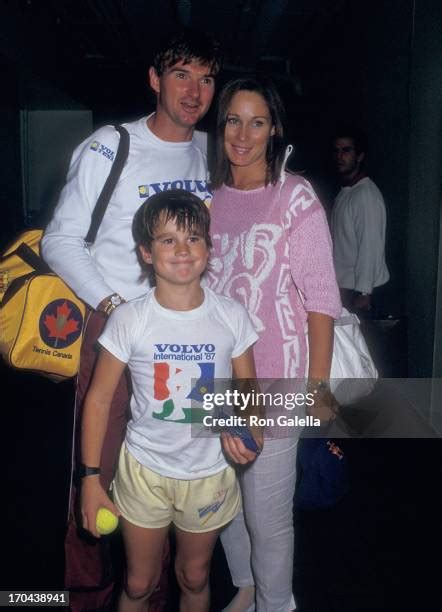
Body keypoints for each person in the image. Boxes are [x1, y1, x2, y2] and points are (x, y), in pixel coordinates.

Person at [41, 28, 221, 611]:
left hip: (187, 339)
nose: (194, 91)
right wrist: (113, 306)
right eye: (181, 76)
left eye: (206, 78)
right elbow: (60, 241)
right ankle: (89, 596)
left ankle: (154, 589)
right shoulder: (109, 145)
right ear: (154, 79)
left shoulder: (213, 151)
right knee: (97, 471)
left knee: (175, 466)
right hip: (116, 329)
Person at [80, 190, 259, 612]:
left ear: (209, 249)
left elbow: (247, 387)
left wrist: (249, 428)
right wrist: (89, 479)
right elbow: (99, 399)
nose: (183, 250)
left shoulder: (232, 315)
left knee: (194, 576)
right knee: (140, 583)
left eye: (194, 238)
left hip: (209, 472)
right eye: (167, 240)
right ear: (146, 252)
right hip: (145, 471)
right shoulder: (129, 319)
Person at [207, 78, 341, 611]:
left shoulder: (294, 196)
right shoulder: (209, 200)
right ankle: (245, 588)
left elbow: (321, 298)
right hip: (217, 378)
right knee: (223, 502)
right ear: (220, 129)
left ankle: (277, 603)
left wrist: (318, 386)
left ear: (274, 129)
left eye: (256, 121)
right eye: (233, 121)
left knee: (267, 514)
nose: (243, 134)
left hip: (277, 378)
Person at [331, 126, 389, 315]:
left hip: (360, 293)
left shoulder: (365, 196)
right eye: (337, 151)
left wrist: (364, 292)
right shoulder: (346, 192)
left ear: (360, 156)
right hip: (345, 289)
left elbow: (370, 246)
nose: (340, 156)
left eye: (346, 150)